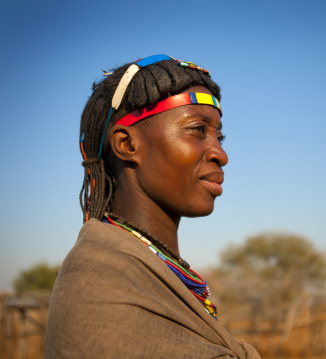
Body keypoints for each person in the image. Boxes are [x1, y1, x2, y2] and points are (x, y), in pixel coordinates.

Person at [45, 55, 260, 358]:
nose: (221, 154)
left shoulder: (156, 274)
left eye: (219, 136)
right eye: (198, 130)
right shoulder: (102, 284)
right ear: (127, 144)